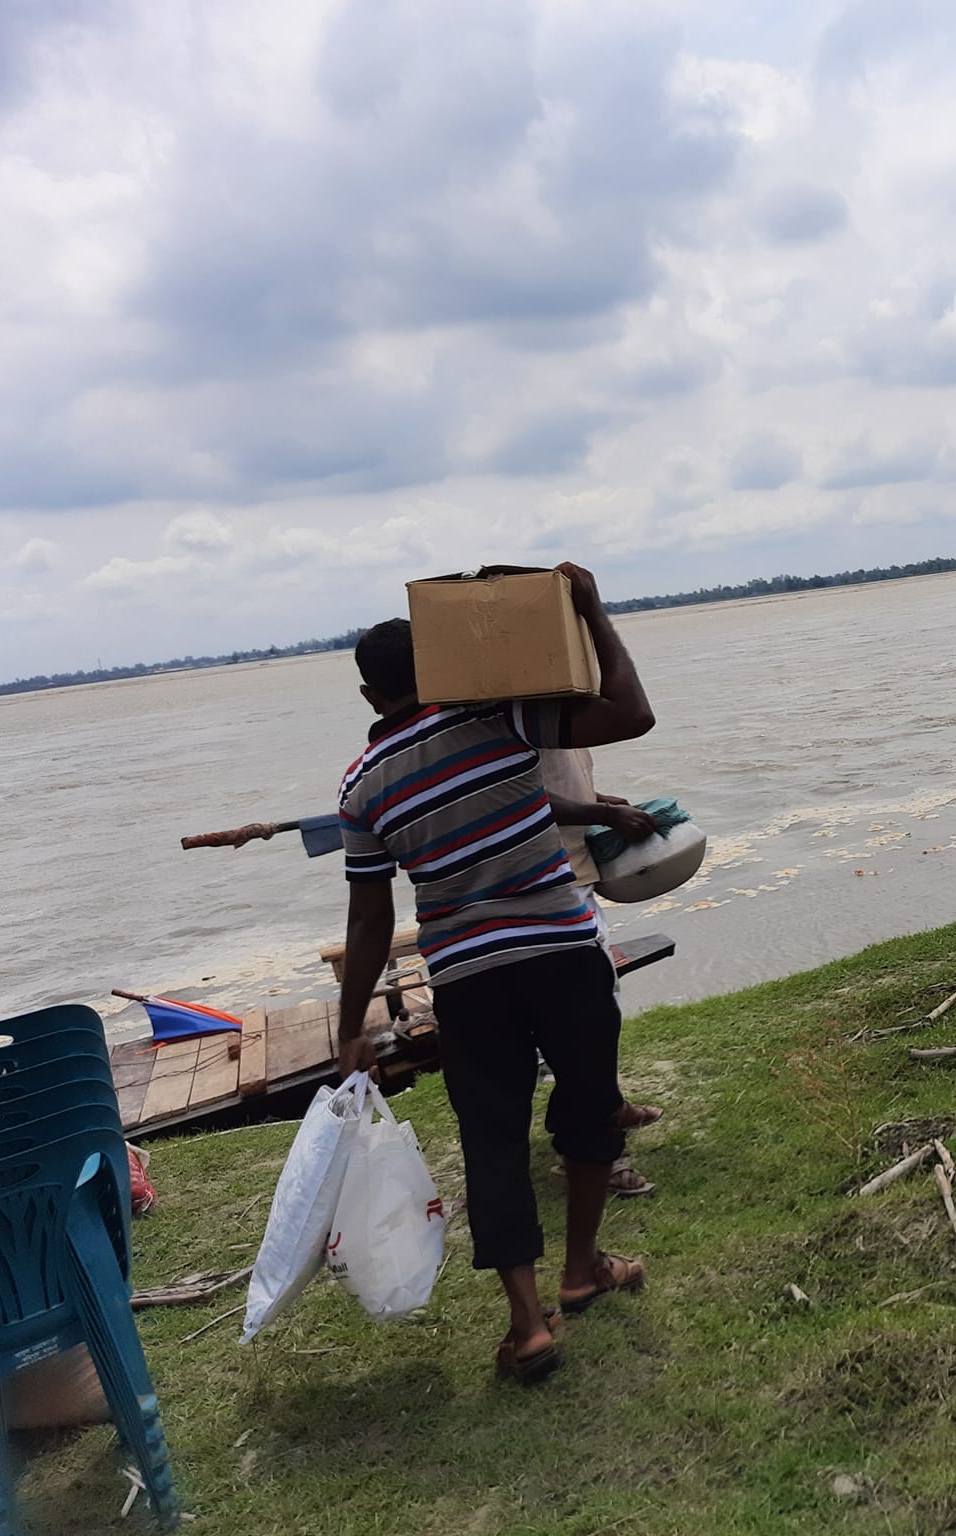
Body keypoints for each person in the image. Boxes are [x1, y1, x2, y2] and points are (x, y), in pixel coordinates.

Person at [333, 562, 655, 1384]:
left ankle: (529, 1325)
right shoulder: (499, 719)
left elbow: (369, 919)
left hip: (470, 982)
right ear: (442, 665)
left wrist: (351, 1029)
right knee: (589, 1112)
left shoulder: (361, 787)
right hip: (562, 954)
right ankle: (582, 1271)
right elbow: (631, 713)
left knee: (493, 1143)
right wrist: (588, 607)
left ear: (371, 698)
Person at [542, 748, 666, 1196]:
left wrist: (602, 803)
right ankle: (588, 1154)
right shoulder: (519, 714)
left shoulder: (557, 717)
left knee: (601, 1007)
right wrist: (603, 813)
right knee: (582, 1024)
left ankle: (606, 1108)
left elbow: (558, 784)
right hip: (551, 885)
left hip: (574, 875)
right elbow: (519, 796)